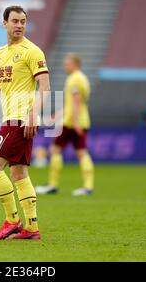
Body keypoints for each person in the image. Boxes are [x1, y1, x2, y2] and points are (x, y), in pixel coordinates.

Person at [0, 5, 51, 240]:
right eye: (15, 21)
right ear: (4, 23)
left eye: (23, 21)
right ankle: (32, 228)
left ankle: (12, 221)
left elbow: (44, 88)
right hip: (11, 119)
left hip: (20, 120)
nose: (19, 25)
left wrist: (34, 114)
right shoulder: (0, 54)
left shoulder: (32, 51)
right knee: (19, 173)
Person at [35, 53, 95, 196]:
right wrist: (56, 115)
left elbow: (76, 102)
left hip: (71, 122)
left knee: (55, 149)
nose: (65, 66)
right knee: (81, 152)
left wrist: (74, 122)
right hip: (81, 120)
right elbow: (73, 103)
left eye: (67, 63)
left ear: (74, 64)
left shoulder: (74, 79)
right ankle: (88, 186)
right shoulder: (83, 79)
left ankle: (53, 185)